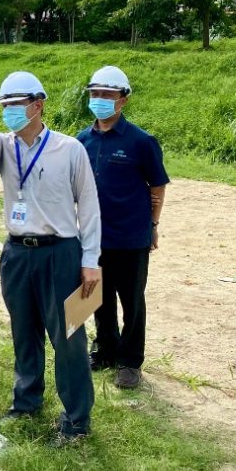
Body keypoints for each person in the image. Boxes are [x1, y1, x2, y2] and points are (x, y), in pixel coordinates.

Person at [0, 71, 101, 444]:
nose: (9, 113)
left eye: (15, 106)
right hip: (18, 253)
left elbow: (91, 207)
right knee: (24, 332)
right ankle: (26, 402)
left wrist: (91, 260)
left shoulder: (69, 149)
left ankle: (76, 420)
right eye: (4, 107)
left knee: (68, 337)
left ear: (37, 106)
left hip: (62, 253)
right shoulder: (6, 147)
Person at [77, 66, 169, 390]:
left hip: (131, 237)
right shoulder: (82, 141)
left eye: (107, 94)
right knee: (96, 297)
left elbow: (157, 185)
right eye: (95, 93)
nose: (100, 100)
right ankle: (104, 350)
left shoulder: (141, 141)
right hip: (93, 238)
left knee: (132, 301)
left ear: (123, 100)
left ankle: (130, 361)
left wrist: (153, 224)